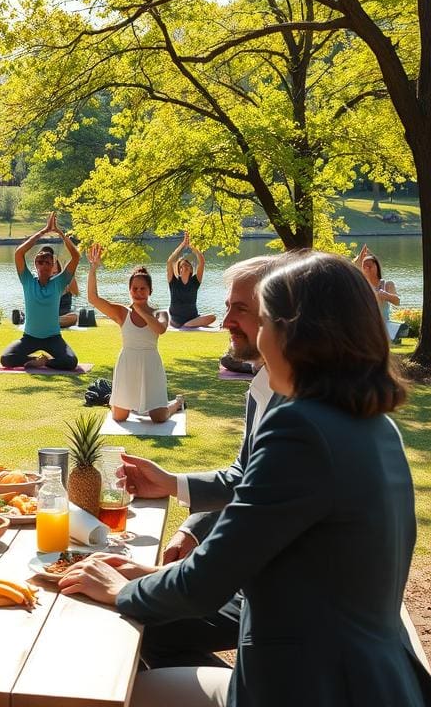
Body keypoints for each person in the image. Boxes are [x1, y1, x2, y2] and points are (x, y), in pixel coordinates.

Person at [59, 252, 429, 707]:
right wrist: (153, 573)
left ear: (298, 332)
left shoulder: (302, 427)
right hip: (365, 678)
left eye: (265, 317)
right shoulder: (372, 422)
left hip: (314, 687)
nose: (255, 329)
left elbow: (205, 584)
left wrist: (123, 589)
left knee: (106, 693)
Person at [114, 255, 282, 669]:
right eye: (226, 307)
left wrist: (129, 586)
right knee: (147, 631)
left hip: (285, 604)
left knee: (134, 619)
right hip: (259, 586)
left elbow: (210, 578)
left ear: (283, 318)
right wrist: (175, 491)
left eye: (239, 309)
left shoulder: (301, 417)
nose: (224, 321)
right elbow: (244, 476)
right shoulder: (263, 387)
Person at [87, 245, 184, 422]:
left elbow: (159, 329)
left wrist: (139, 310)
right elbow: (93, 298)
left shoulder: (160, 313)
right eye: (135, 289)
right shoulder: (122, 313)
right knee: (119, 417)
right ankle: (119, 401)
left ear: (150, 291)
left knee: (158, 418)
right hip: (127, 363)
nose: (138, 293)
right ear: (130, 290)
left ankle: (176, 403)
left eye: (143, 289)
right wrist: (93, 268)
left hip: (150, 365)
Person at [0, 212, 80, 370]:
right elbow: (19, 253)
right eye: (40, 262)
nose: (44, 265)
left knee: (71, 361)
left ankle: (45, 362)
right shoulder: (28, 281)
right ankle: (36, 360)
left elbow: (76, 257)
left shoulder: (58, 283)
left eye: (48, 262)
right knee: (6, 358)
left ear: (53, 266)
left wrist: (60, 233)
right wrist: (43, 231)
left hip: (53, 338)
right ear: (36, 265)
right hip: (29, 338)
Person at [167, 231, 217, 328]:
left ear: (191, 269)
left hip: (192, 318)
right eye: (181, 266)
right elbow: (170, 262)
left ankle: (187, 325)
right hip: (176, 319)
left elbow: (201, 262)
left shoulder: (195, 281)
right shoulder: (173, 282)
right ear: (179, 270)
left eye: (186, 265)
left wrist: (192, 246)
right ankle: (186, 325)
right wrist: (182, 245)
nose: (184, 267)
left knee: (212, 317)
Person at [354, 243, 399, 320]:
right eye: (365, 265)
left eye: (370, 265)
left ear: (377, 266)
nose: (368, 268)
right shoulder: (360, 286)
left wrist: (386, 295)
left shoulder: (387, 284)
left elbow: (397, 302)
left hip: (383, 325)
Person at [53, 257, 80, 328]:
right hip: (49, 315)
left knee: (74, 317)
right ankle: (50, 322)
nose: (54, 275)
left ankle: (50, 322)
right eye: (52, 273)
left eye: (56, 273)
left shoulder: (67, 284)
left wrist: (70, 272)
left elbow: (76, 293)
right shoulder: (44, 284)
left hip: (64, 317)